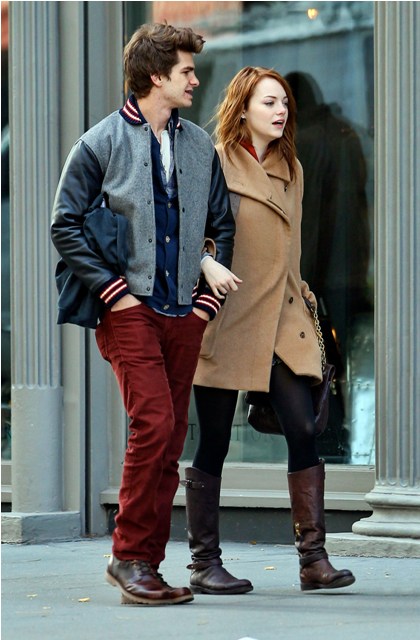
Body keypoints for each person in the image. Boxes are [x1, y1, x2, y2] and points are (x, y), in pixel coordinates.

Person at [51, 23, 241, 606]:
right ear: (156, 77)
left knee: (171, 434)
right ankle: (129, 557)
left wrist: (205, 304)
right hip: (127, 310)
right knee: (154, 424)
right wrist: (115, 293)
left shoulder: (199, 146)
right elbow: (65, 225)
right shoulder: (99, 143)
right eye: (186, 70)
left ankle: (145, 566)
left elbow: (221, 225)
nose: (195, 80)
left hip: (185, 311)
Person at [184, 66, 356, 594]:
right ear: (242, 109)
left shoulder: (291, 167)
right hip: (226, 314)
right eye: (268, 102)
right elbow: (187, 233)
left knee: (303, 426)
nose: (281, 111)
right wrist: (205, 265)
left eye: (284, 103)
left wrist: (304, 303)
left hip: (282, 316)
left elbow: (293, 250)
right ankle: (204, 563)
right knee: (214, 442)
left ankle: (313, 560)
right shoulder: (211, 161)